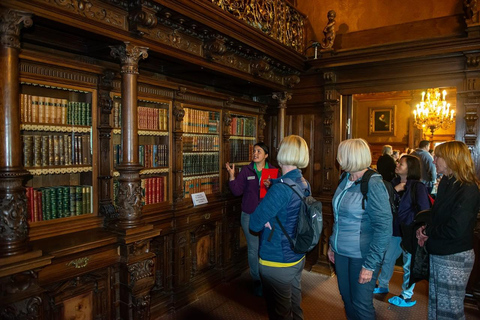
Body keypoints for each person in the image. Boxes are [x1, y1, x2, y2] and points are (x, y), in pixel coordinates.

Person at [328, 138, 392, 320]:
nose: (337, 159)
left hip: (362, 256)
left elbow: (383, 228)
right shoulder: (345, 178)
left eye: (340, 155)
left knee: (361, 306)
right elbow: (338, 217)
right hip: (341, 253)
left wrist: (370, 265)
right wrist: (332, 244)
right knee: (347, 300)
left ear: (350, 157)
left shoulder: (373, 183)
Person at [416, 141, 480, 320]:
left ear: (452, 159)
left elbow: (456, 228)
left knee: (450, 311)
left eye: (438, 157)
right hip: (440, 251)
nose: (434, 160)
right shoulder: (447, 181)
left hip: (455, 256)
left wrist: (428, 231)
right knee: (437, 307)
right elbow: (438, 216)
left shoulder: (468, 188)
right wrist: (424, 229)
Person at [249, 135, 310, 320]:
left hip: (277, 259)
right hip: (296, 256)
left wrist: (269, 218)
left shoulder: (280, 190)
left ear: (283, 153)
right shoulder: (302, 182)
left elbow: (254, 223)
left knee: (279, 313)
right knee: (294, 306)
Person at [373, 155, 431, 307]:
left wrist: (410, 221)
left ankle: (406, 295)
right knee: (387, 258)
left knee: (408, 264)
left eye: (401, 163)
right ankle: (383, 284)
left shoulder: (418, 187)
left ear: (410, 168)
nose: (397, 164)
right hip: (394, 229)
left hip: (410, 231)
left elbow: (424, 210)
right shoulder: (393, 183)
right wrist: (393, 190)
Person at [226, 142, 275, 296]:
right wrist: (232, 176)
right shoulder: (247, 170)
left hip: (267, 216)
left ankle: (268, 278)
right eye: (254, 151)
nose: (255, 154)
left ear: (266, 155)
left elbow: (279, 194)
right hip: (249, 215)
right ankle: (257, 281)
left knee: (266, 248)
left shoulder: (273, 171)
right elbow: (236, 191)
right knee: (253, 249)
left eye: (258, 151)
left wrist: (271, 185)